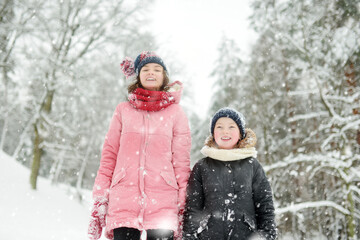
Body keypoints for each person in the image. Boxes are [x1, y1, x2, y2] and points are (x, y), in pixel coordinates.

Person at [88, 51, 191, 240]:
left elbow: (181, 162)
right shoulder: (123, 110)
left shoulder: (176, 114)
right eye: (146, 69)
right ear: (138, 75)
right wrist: (100, 197)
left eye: (157, 69)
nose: (151, 73)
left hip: (164, 200)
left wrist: (185, 201)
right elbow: (109, 155)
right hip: (124, 199)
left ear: (164, 76)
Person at [182, 107, 277, 240]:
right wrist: (189, 236)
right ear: (213, 133)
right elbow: (192, 208)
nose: (225, 131)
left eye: (231, 127)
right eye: (219, 127)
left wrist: (267, 235)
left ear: (240, 133)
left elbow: (265, 206)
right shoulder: (201, 167)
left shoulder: (252, 165)